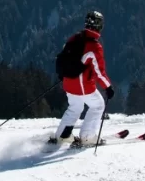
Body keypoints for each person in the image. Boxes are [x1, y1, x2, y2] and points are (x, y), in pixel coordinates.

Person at [49, 10, 114, 148]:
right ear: (99, 26)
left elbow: (63, 57)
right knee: (98, 105)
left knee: (75, 108)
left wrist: (63, 75)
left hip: (68, 83)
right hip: (83, 86)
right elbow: (99, 72)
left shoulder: (74, 38)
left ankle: (62, 135)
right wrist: (108, 87)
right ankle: (87, 137)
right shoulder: (94, 47)